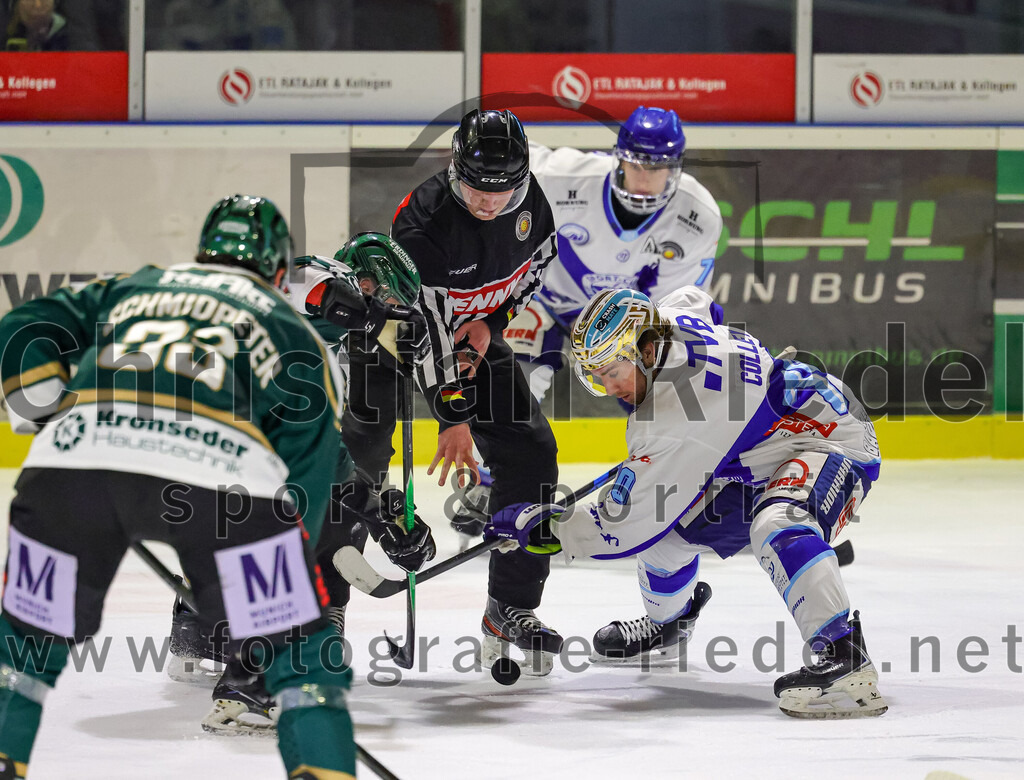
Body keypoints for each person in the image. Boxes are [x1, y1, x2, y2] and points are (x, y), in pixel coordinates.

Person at [0, 193, 365, 778]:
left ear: (201, 252)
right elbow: (307, 476)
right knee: (300, 657)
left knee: (25, 639)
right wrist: (279, 591)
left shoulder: (135, 285)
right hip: (222, 485)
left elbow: (23, 325)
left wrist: (48, 413)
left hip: (73, 473)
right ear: (277, 272)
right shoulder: (293, 332)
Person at [486, 286, 888, 719]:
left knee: (778, 523)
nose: (609, 385)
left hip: (831, 438)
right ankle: (669, 626)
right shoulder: (670, 322)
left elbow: (619, 528)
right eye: (596, 375)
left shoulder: (672, 419)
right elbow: (698, 298)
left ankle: (845, 658)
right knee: (669, 535)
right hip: (759, 453)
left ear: (646, 348)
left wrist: (539, 527)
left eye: (613, 370)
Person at [167, 230, 437, 736]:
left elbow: (348, 448)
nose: (397, 316)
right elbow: (306, 284)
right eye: (391, 300)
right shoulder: (310, 287)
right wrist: (370, 508)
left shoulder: (346, 345)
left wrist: (383, 511)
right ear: (366, 286)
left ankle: (216, 628)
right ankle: (250, 676)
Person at [344, 107, 563, 675]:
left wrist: (495, 321)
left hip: (469, 330)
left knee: (532, 449)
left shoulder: (529, 200)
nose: (490, 202)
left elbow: (538, 264)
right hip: (392, 332)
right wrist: (453, 417)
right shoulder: (425, 221)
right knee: (359, 458)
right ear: (454, 168)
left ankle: (510, 606)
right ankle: (324, 610)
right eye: (475, 188)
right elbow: (428, 330)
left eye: (503, 190)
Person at [451, 105, 724, 544]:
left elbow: (675, 310)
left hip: (622, 321)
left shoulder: (698, 216)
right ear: (617, 157)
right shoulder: (563, 177)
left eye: (658, 168)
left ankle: (706, 483)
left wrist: (650, 374)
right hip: (543, 296)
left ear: (677, 167)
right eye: (636, 164)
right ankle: (490, 485)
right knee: (515, 381)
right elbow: (496, 159)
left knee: (664, 394)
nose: (644, 178)